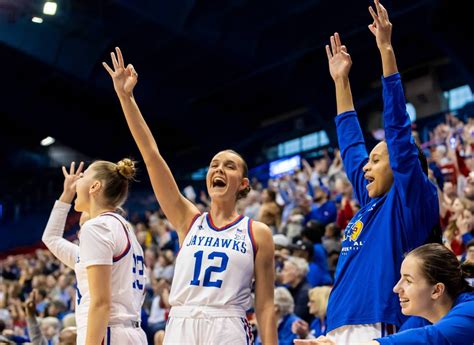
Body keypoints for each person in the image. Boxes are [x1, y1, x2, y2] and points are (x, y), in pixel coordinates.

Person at [103, 48, 277, 344]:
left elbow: (265, 306)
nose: (218, 168)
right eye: (214, 165)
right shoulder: (188, 219)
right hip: (182, 322)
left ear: (243, 183)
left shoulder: (258, 233)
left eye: (229, 165)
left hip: (228, 325)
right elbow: (151, 155)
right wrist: (126, 98)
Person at [323, 0, 439, 343]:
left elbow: (398, 133)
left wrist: (386, 51)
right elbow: (350, 146)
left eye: (376, 159)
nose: (366, 166)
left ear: (402, 166)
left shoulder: (411, 201)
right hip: (337, 321)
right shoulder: (371, 201)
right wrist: (340, 81)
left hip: (381, 320)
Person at [42, 160, 147, 345]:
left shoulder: (97, 227)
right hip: (127, 332)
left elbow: (101, 303)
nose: (76, 182)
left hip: (108, 331)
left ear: (95, 186)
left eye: (82, 177)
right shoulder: (123, 228)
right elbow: (51, 239)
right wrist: (67, 193)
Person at [294, 244, 474, 345]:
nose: (396, 288)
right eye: (400, 278)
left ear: (437, 290)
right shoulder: (420, 320)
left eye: (408, 281)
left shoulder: (469, 309)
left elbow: (433, 337)